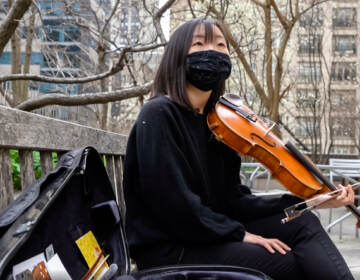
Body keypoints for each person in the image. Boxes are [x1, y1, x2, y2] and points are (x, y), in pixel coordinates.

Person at [123, 18, 355, 280]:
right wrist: (241, 234)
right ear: (177, 56)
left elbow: (234, 201)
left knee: (304, 224)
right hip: (173, 248)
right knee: (290, 261)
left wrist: (307, 202)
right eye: (199, 43)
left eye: (221, 45)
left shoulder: (217, 123)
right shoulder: (158, 114)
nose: (213, 52)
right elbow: (173, 205)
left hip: (204, 236)